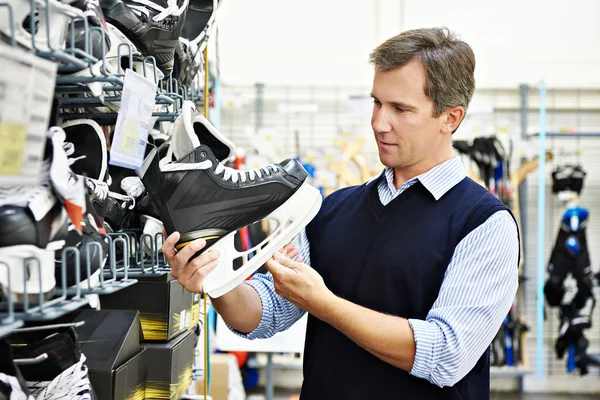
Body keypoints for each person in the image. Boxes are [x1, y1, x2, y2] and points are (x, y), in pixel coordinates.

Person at [162, 27, 520, 400]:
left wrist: (324, 304)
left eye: (400, 109)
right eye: (377, 103)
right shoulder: (331, 210)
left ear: (450, 118)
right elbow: (263, 315)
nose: (379, 123)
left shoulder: (484, 225)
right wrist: (215, 278)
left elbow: (445, 354)